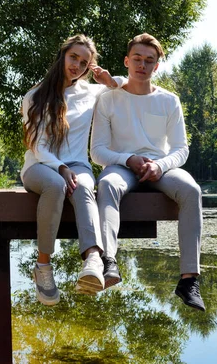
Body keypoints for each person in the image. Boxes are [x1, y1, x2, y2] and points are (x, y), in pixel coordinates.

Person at [90, 33, 206, 311]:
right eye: (137, 59)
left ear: (157, 66)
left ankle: (189, 280)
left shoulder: (169, 101)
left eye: (149, 60)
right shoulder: (108, 99)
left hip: (161, 169)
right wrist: (129, 159)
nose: (142, 65)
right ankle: (109, 262)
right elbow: (97, 151)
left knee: (191, 190)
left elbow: (180, 149)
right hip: (121, 166)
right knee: (107, 185)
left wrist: (160, 165)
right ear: (127, 61)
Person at [21, 34, 125, 305]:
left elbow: (129, 85)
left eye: (84, 62)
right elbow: (36, 146)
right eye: (73, 57)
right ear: (62, 55)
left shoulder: (92, 93)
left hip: (78, 163)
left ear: (89, 66)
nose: (77, 65)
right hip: (40, 165)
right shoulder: (35, 96)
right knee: (56, 185)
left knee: (84, 187)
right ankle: (43, 267)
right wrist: (61, 168)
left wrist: (109, 81)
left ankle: (93, 259)